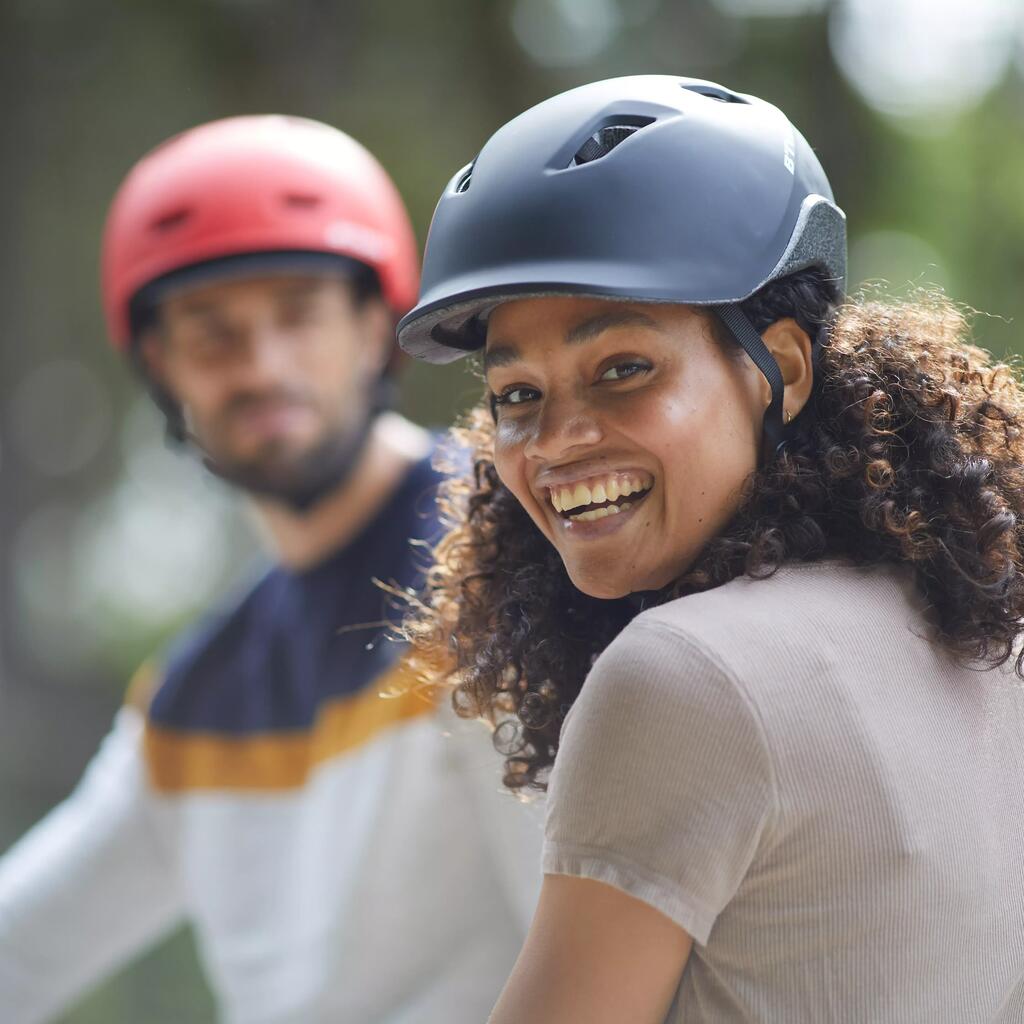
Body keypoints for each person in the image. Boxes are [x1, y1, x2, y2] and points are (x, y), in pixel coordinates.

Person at [397, 76, 1024, 1023]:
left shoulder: (682, 674)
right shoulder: (988, 639)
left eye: (623, 369)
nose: (557, 439)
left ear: (784, 369)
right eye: (518, 394)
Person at [0, 115, 541, 1024]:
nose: (261, 366)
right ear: (161, 368)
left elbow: (618, 937)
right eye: (212, 336)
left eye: (297, 315)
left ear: (376, 329)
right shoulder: (190, 705)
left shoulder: (517, 560)